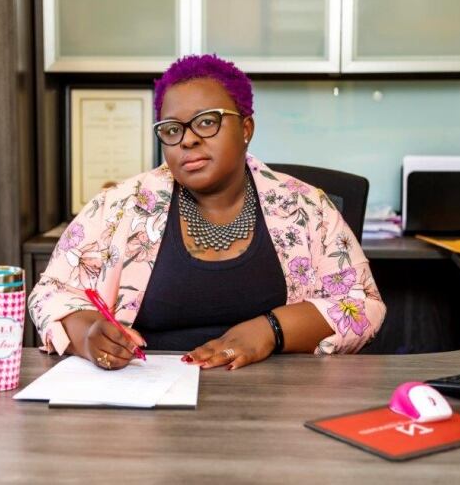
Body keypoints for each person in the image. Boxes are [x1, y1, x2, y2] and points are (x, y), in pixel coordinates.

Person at [28, 54, 386, 371]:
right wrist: (88, 333)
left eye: (206, 122)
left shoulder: (307, 208)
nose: (187, 139)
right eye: (172, 129)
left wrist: (271, 330)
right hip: (146, 401)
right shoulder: (120, 207)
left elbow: (364, 306)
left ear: (246, 129)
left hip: (281, 406)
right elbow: (49, 295)